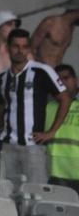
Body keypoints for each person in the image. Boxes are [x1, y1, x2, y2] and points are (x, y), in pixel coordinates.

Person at [0, 28, 72, 185]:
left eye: (24, 46)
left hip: (33, 146)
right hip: (7, 146)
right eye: (16, 46)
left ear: (29, 48)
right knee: (7, 191)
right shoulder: (2, 77)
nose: (20, 50)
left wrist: (51, 132)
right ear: (8, 47)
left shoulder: (41, 71)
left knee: (35, 192)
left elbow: (65, 98)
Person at [45, 63, 79, 191]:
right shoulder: (47, 108)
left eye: (66, 78)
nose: (63, 82)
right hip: (54, 173)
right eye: (59, 80)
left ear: (76, 80)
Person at [30, 1, 79, 67]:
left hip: (55, 70)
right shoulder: (50, 23)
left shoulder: (71, 28)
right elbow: (32, 47)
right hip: (40, 68)